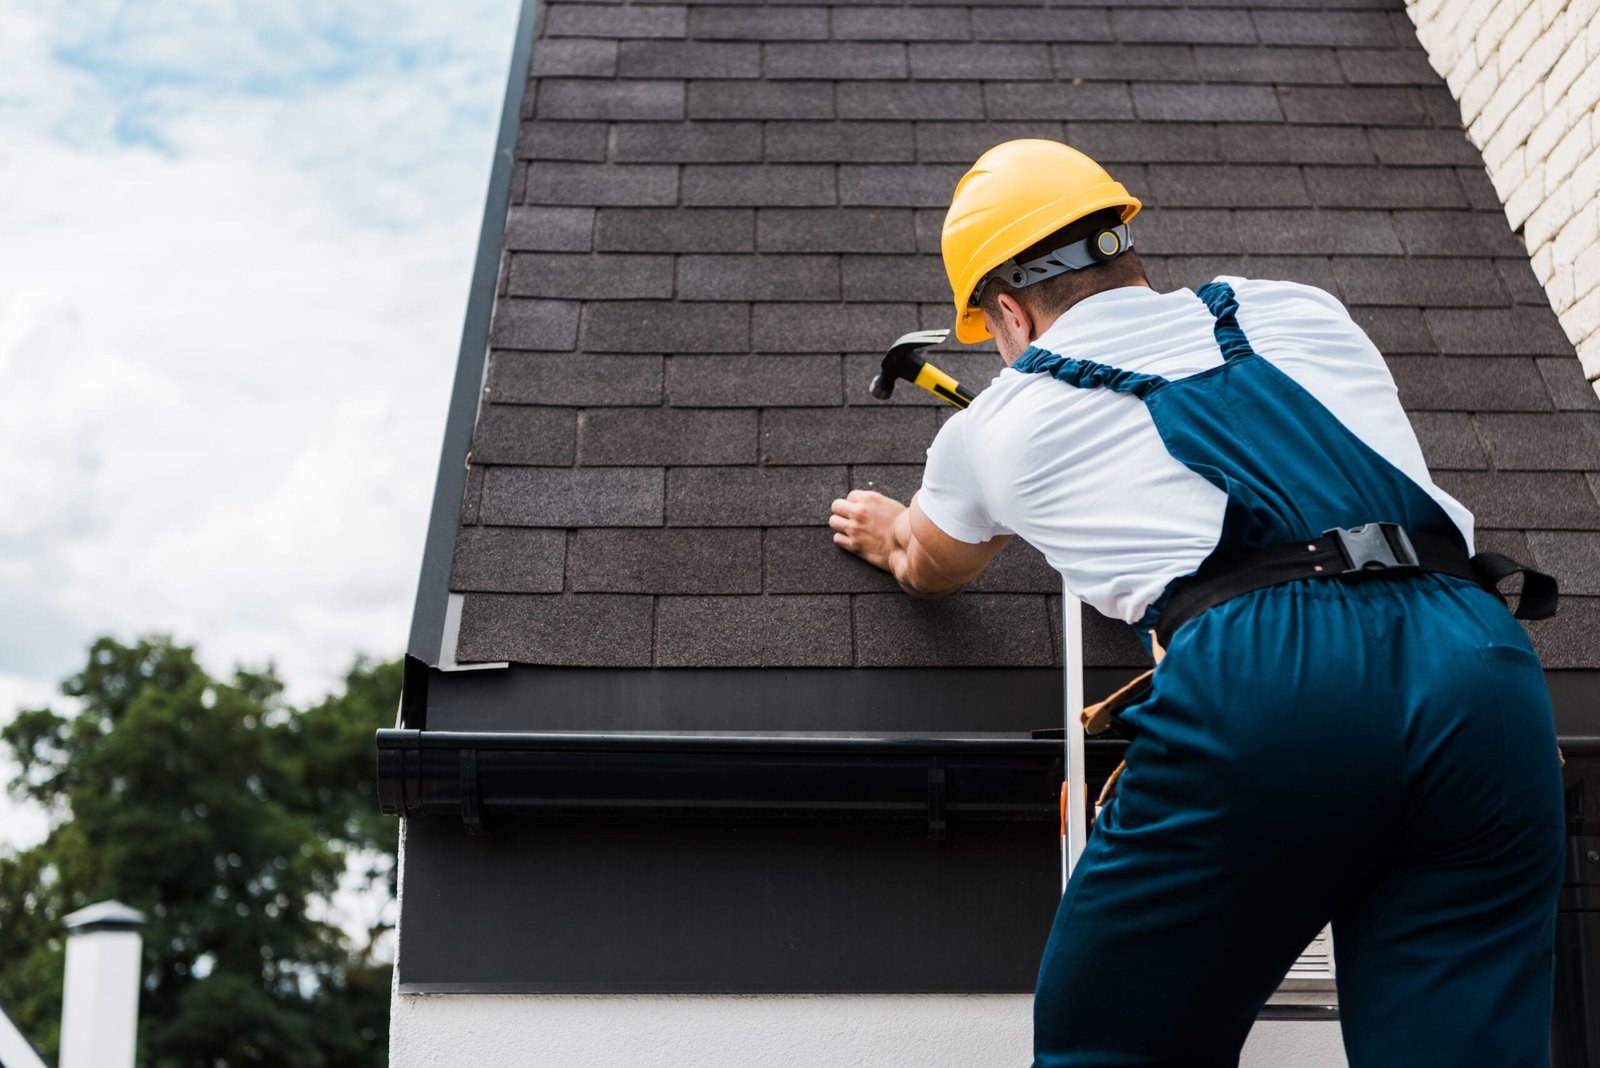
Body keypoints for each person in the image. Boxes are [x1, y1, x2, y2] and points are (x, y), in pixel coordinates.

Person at [828, 138, 1564, 1067]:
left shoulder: (992, 430)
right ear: (1123, 247)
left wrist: (893, 524)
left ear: (1007, 314)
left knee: (1107, 1043)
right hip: (1478, 663)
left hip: (1275, 687)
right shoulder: (1301, 308)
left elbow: (926, 560)